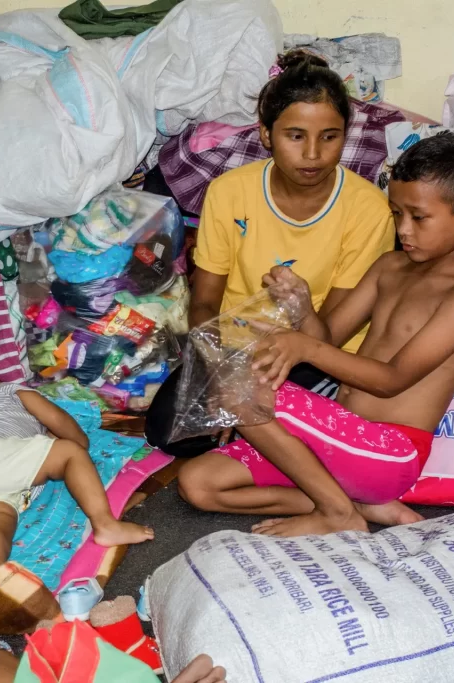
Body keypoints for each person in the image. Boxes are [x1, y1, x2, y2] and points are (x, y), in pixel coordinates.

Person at [178, 134, 454, 536]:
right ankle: (360, 505)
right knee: (199, 483)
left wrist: (299, 348)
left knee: (238, 387)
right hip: (337, 443)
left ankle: (336, 513)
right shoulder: (390, 267)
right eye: (397, 214)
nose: (404, 229)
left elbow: (390, 380)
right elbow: (327, 340)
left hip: (387, 452)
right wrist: (302, 309)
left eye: (418, 217)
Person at [145, 50, 395, 457]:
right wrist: (224, 371)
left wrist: (257, 384)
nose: (313, 154)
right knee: (167, 430)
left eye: (329, 136)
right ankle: (266, 439)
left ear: (344, 136)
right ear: (266, 134)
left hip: (314, 354)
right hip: (233, 347)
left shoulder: (368, 210)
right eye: (295, 135)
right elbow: (206, 298)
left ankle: (271, 437)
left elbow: (330, 337)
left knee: (266, 420)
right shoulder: (230, 192)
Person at [0, 373, 154, 582]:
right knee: (70, 453)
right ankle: (105, 524)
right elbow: (58, 420)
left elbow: (16, 454)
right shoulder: (5, 391)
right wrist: (75, 441)